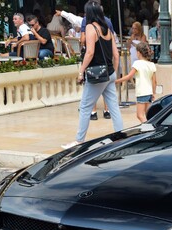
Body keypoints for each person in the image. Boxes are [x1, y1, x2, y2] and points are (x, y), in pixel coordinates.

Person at [62, 0, 123, 150]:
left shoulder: (90, 28)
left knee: (84, 107)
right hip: (109, 73)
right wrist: (113, 71)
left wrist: (81, 71)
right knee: (114, 107)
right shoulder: (107, 29)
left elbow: (89, 53)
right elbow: (116, 54)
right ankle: (120, 137)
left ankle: (79, 140)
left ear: (88, 13)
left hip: (97, 75)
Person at [116, 42, 157, 123]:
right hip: (149, 93)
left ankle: (148, 129)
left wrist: (116, 81)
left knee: (140, 115)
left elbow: (129, 76)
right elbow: (155, 81)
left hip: (141, 93)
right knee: (147, 115)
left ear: (138, 53)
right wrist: (154, 93)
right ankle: (150, 127)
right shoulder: (152, 64)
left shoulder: (137, 63)